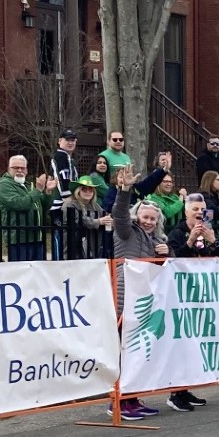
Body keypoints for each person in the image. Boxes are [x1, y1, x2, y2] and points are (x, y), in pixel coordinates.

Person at [109, 169, 170, 419]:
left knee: (136, 352)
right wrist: (125, 191)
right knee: (124, 350)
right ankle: (117, 403)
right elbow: (119, 215)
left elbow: (162, 269)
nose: (148, 222)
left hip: (144, 300)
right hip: (126, 297)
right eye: (145, 217)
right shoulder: (127, 231)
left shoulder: (154, 239)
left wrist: (168, 253)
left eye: (153, 219)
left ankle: (132, 398)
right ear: (138, 216)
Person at [0, 155, 52, 262]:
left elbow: (44, 206)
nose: (19, 170)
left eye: (23, 168)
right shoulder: (4, 185)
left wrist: (48, 191)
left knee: (36, 274)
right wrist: (38, 190)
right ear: (8, 169)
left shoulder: (28, 185)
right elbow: (20, 204)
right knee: (21, 275)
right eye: (16, 167)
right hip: (19, 239)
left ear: (26, 170)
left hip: (37, 237)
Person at [61, 175, 111, 259]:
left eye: (91, 189)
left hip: (91, 247)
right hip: (73, 247)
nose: (88, 192)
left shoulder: (94, 205)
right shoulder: (69, 203)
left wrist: (109, 219)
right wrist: (98, 221)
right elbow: (79, 220)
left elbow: (104, 214)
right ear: (78, 191)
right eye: (84, 189)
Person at [50, 129, 80, 259]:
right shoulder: (59, 157)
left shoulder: (70, 160)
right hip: (61, 206)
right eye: (67, 140)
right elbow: (60, 180)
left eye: (73, 140)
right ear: (59, 141)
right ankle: (58, 266)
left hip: (71, 205)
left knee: (70, 241)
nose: (70, 142)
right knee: (60, 238)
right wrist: (69, 198)